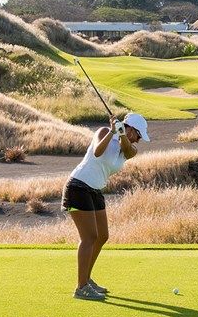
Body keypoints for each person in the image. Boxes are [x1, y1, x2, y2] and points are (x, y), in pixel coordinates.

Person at [62, 112, 149, 300]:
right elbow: (97, 152)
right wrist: (111, 131)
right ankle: (81, 287)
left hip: (95, 190)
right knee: (90, 236)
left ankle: (87, 278)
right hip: (78, 186)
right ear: (132, 128)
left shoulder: (129, 149)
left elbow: (127, 149)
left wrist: (122, 135)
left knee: (102, 236)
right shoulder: (102, 132)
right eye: (139, 135)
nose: (139, 140)